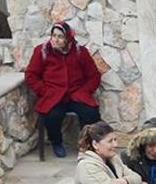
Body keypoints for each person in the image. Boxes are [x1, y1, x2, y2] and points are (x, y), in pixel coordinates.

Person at [24, 22, 102, 157]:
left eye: (60, 37)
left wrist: (84, 91)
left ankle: (88, 144)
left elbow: (94, 75)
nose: (56, 39)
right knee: (52, 115)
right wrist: (45, 91)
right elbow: (31, 76)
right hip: (53, 94)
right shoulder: (41, 51)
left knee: (91, 113)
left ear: (67, 39)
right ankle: (56, 142)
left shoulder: (79, 52)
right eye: (54, 36)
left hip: (76, 93)